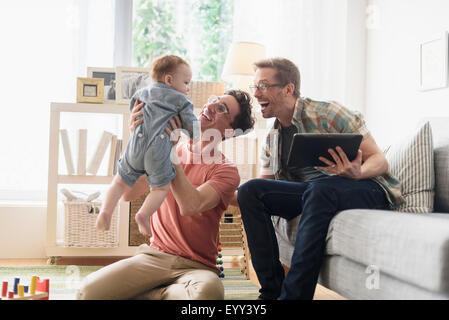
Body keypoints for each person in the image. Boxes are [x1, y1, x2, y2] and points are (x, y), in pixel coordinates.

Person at [236, 57, 404, 300]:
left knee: (319, 189)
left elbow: (380, 160)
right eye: (254, 87)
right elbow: (266, 187)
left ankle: (294, 296)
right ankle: (271, 292)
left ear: (288, 88)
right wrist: (221, 193)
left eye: (263, 86)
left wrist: (358, 172)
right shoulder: (273, 137)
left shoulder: (328, 113)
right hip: (316, 192)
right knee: (251, 190)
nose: (256, 93)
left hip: (366, 187)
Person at [77, 89, 255, 300]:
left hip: (196, 268)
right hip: (154, 257)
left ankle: (151, 294)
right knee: (87, 292)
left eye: (222, 108)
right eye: (213, 100)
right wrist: (139, 140)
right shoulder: (171, 148)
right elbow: (128, 194)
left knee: (208, 294)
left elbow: (191, 205)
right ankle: (161, 294)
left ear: (230, 131)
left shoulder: (225, 170)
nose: (210, 106)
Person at [96, 55, 198, 236]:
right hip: (157, 151)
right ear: (169, 79)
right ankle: (143, 215)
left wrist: (138, 127)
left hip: (134, 146)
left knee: (119, 182)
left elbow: (134, 111)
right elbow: (193, 130)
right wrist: (191, 133)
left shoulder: (142, 92)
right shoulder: (182, 101)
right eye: (186, 82)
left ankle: (105, 211)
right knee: (160, 188)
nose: (188, 88)